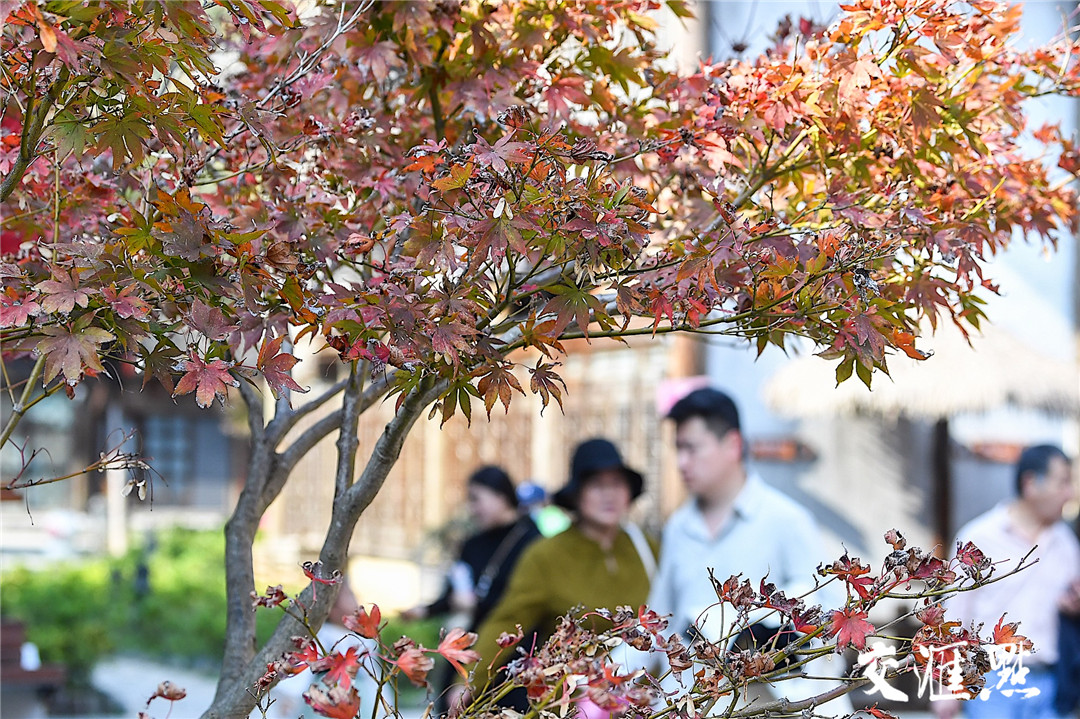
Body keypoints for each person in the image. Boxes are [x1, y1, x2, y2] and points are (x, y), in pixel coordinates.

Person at [648, 387, 852, 713]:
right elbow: (657, 624)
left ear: (732, 445)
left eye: (692, 449)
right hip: (690, 705)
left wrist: (760, 630)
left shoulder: (787, 520)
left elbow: (828, 622)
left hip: (764, 706)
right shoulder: (677, 527)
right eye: (677, 449)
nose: (681, 462)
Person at [466, 438, 658, 711]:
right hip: (571, 706)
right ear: (577, 493)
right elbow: (507, 622)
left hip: (641, 705)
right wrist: (468, 681)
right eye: (597, 485)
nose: (609, 494)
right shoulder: (546, 555)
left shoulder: (647, 547)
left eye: (616, 483)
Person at [936, 444, 1080, 719]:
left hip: (1052, 684)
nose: (1070, 493)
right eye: (1062, 482)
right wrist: (947, 687)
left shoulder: (1066, 543)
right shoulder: (978, 538)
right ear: (1030, 483)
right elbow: (953, 617)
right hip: (993, 682)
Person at [402, 465, 541, 712]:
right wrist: (427, 610)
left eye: (477, 499)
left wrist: (476, 604)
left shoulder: (533, 542)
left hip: (517, 653)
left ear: (501, 496)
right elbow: (457, 592)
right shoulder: (473, 544)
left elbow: (524, 603)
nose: (473, 508)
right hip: (474, 645)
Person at [270, 579, 385, 719]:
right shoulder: (321, 637)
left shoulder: (363, 641)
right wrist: (289, 701)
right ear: (330, 608)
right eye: (349, 595)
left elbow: (374, 679)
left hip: (361, 707)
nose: (356, 601)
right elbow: (297, 677)